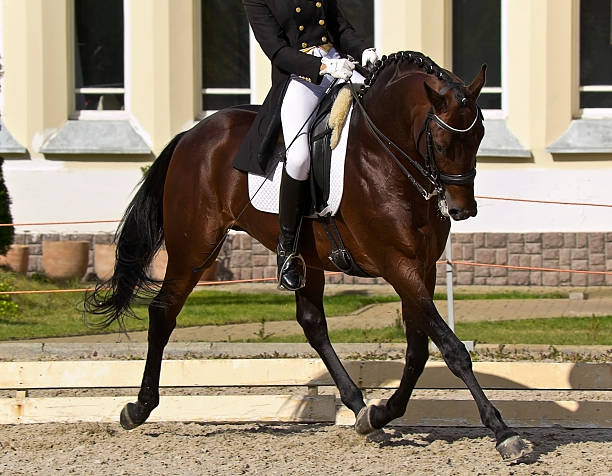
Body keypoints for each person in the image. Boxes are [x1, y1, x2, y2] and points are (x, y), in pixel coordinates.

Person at [233, 0, 379, 291]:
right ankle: (287, 250)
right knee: (298, 157)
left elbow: (339, 27)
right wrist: (323, 66)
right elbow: (277, 51)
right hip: (301, 77)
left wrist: (363, 49)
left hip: (342, 65)